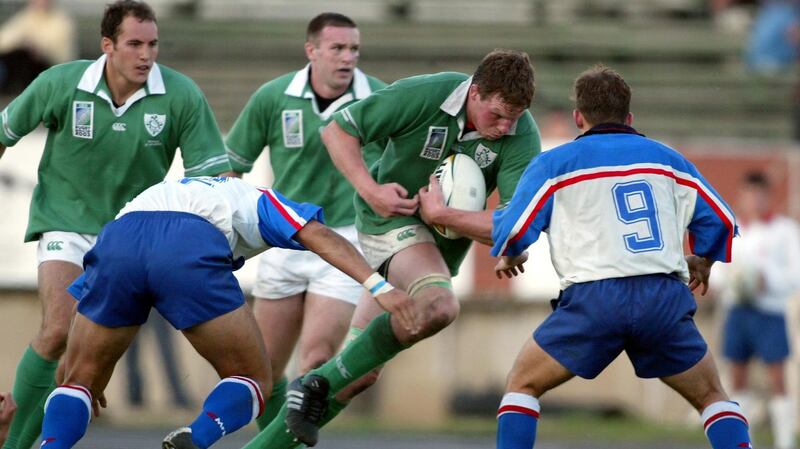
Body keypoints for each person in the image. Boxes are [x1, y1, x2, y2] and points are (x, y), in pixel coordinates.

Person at [246, 49, 541, 448]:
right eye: (498, 115)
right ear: (475, 92)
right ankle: (317, 383)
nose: (506, 127)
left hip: (434, 250)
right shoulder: (426, 94)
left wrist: (511, 246)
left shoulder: (521, 134)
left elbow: (514, 224)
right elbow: (337, 131)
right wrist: (372, 190)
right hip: (389, 221)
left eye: (516, 117)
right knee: (439, 306)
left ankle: (282, 424)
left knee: (360, 376)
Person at [0, 2, 233, 448]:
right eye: (134, 44)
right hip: (64, 221)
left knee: (78, 369)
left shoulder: (180, 94)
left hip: (130, 238)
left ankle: (35, 433)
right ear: (107, 46)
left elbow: (215, 180)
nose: (146, 55)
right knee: (57, 331)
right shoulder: (62, 83)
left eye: (153, 44)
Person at [38, 176, 418, 449]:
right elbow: (318, 234)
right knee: (254, 376)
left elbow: (93, 279)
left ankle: (51, 442)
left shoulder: (156, 192)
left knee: (77, 383)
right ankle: (197, 437)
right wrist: (378, 286)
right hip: (187, 244)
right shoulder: (254, 196)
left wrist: (75, 365)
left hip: (119, 239)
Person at [489, 65, 750, 449]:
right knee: (713, 397)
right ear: (629, 118)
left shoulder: (555, 163)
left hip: (594, 300)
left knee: (522, 385)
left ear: (579, 117)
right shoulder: (670, 160)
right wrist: (703, 260)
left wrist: (511, 253)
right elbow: (723, 221)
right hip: (661, 297)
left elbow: (512, 230)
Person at [224, 12, 386, 431]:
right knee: (262, 373)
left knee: (315, 361)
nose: (347, 57)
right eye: (337, 48)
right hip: (283, 241)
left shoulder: (380, 99)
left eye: (354, 49)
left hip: (345, 241)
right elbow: (230, 171)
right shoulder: (273, 97)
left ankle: (280, 441)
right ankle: (277, 442)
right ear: (311, 51)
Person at [713, 171, 800, 449]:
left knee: (777, 376)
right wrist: (732, 282)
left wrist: (767, 281)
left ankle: (785, 441)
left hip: (770, 312)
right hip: (738, 311)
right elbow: (716, 272)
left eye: (760, 194)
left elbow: (796, 274)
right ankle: (742, 441)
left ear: (768, 196)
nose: (754, 200)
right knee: (737, 377)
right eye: (749, 194)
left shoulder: (784, 230)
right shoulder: (731, 230)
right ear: (742, 196)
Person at [0, 0, 76, 94]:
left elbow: (57, 49)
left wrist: (34, 45)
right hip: (24, 61)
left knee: (25, 56)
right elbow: (5, 38)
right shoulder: (26, 16)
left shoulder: (61, 20)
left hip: (49, 65)